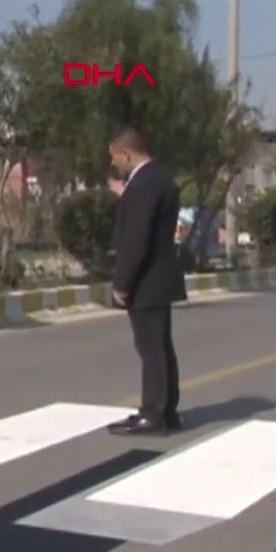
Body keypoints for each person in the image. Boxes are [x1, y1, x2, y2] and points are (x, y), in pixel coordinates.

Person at [105, 127, 186, 436]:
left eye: (114, 157)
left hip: (146, 280)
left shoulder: (144, 185)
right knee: (160, 347)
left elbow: (136, 241)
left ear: (127, 154)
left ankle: (153, 414)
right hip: (159, 277)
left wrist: (123, 283)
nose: (113, 163)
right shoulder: (159, 178)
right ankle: (166, 411)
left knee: (151, 350)